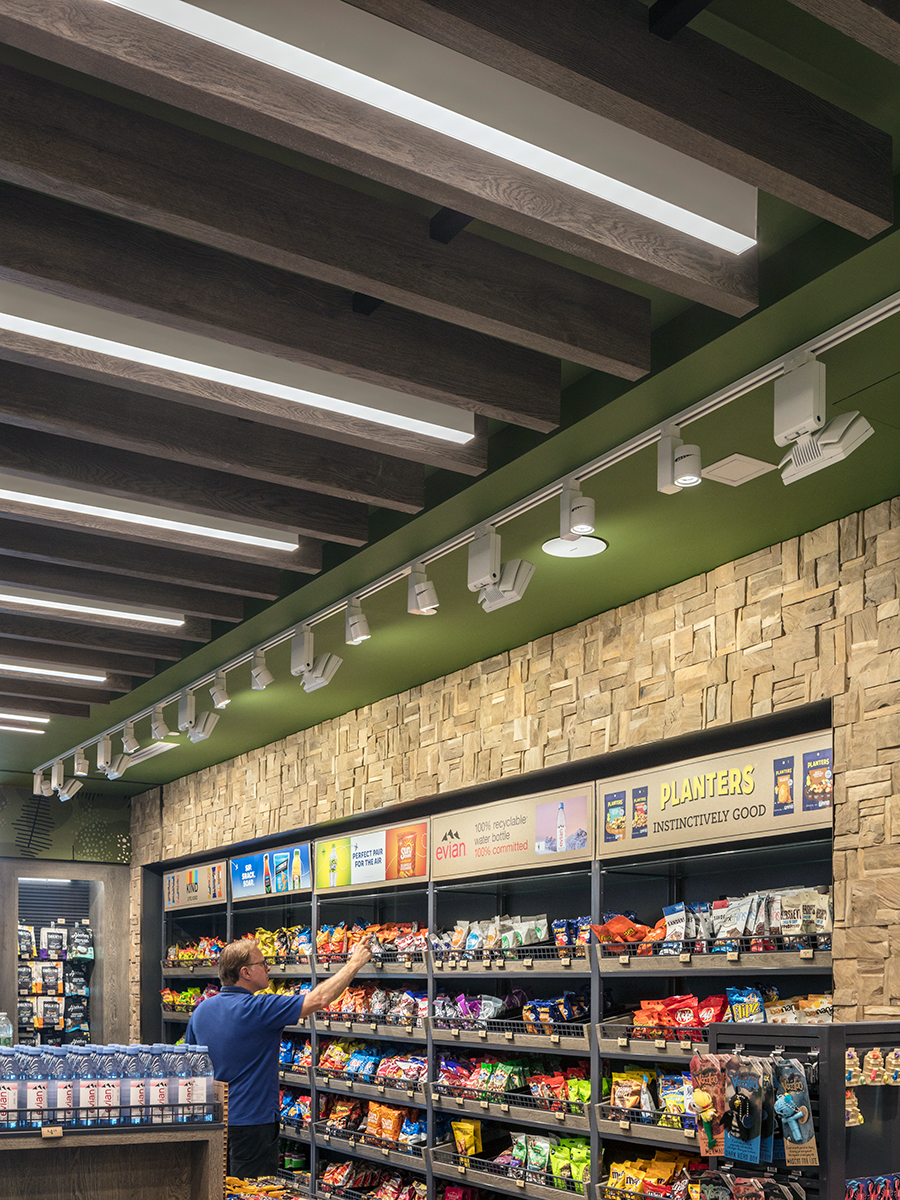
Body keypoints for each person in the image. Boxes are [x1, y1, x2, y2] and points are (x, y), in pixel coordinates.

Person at [185, 934, 372, 1179]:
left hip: (214, 1122)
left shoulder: (201, 1011)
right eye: (262, 963)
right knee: (253, 1193)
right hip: (254, 1125)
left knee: (217, 1189)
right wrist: (354, 963)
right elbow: (319, 999)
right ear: (246, 972)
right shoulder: (260, 1008)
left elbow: (190, 1068)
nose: (268, 967)